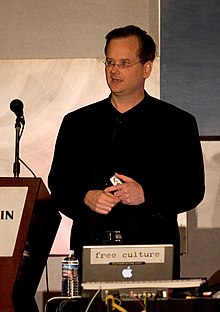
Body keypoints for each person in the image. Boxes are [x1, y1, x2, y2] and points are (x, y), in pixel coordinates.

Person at [48, 25, 205, 282]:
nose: (114, 70)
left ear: (146, 68)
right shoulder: (78, 122)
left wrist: (147, 194)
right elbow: (59, 184)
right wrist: (86, 197)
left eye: (124, 63)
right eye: (109, 61)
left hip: (152, 249)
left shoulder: (177, 123)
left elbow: (192, 188)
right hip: (91, 247)